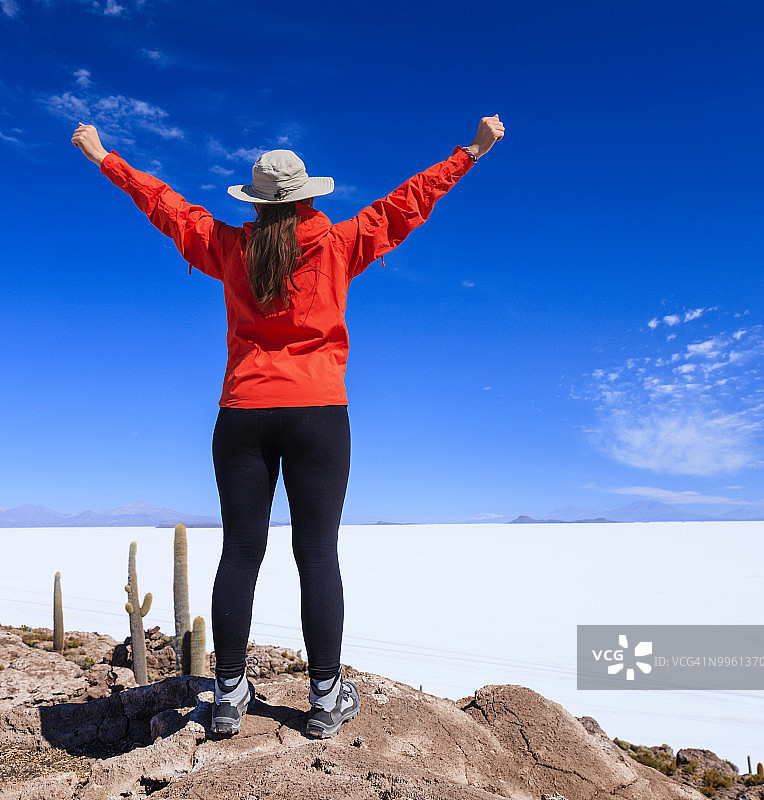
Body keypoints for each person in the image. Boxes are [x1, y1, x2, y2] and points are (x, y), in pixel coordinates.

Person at [71, 114, 505, 738]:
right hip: (320, 414)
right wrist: (473, 151)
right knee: (317, 555)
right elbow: (411, 200)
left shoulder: (228, 247)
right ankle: (325, 697)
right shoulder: (341, 241)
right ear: (306, 197)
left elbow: (165, 207)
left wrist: (104, 157)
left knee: (241, 553)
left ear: (256, 203)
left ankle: (226, 694)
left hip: (243, 413)